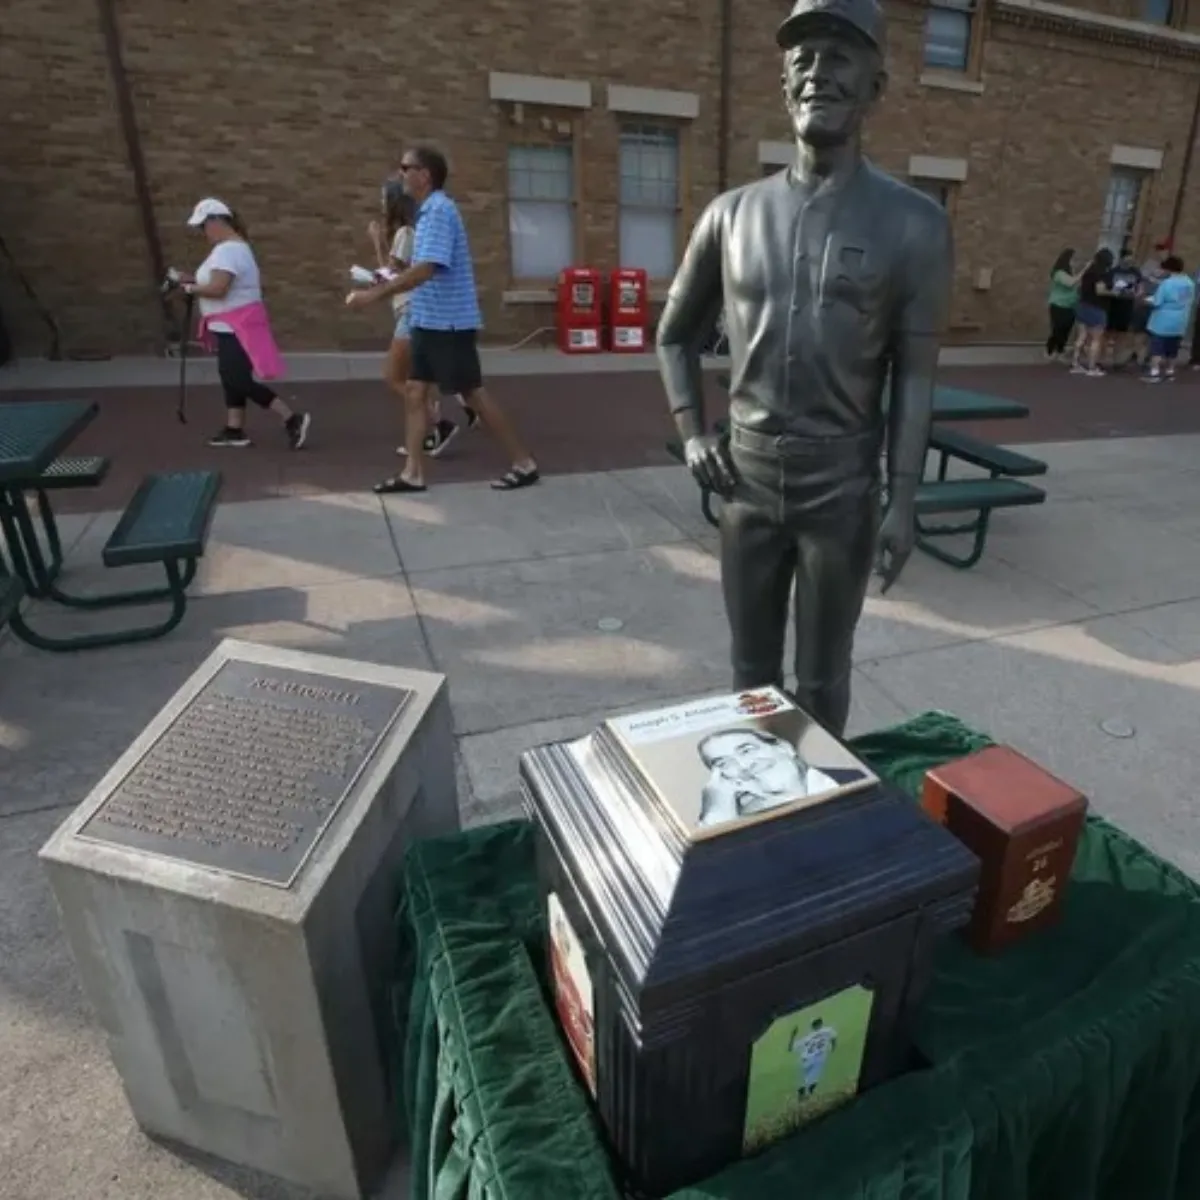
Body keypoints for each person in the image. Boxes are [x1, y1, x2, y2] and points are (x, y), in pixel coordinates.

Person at [656, 0, 952, 735]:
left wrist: (904, 498)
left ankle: (821, 811)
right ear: (785, 82)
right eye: (805, 58)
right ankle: (754, 803)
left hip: (842, 487)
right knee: (749, 672)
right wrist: (693, 432)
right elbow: (674, 336)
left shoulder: (915, 223)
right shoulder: (730, 214)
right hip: (746, 480)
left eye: (841, 56)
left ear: (875, 85)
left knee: (823, 675)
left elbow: (915, 376)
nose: (820, 73)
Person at [345, 145, 539, 494]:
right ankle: (412, 473)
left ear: (425, 175)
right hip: (427, 319)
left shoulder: (438, 211)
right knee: (416, 391)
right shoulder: (427, 213)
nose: (401, 173)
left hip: (449, 323)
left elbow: (424, 270)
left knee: (473, 393)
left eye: (407, 167)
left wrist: (372, 296)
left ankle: (524, 463)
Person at [179, 198, 310, 449]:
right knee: (231, 376)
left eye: (203, 226)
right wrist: (192, 280)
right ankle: (234, 428)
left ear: (216, 221)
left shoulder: (229, 250)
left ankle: (291, 418)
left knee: (236, 378)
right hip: (231, 324)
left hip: (235, 325)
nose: (201, 232)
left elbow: (218, 288)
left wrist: (189, 288)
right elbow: (216, 282)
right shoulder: (232, 248)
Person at [367, 179, 479, 458]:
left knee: (395, 377)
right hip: (416, 311)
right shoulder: (415, 230)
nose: (381, 205)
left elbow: (390, 276)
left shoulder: (406, 233)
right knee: (422, 380)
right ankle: (439, 424)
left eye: (384, 199)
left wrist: (378, 243)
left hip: (410, 311)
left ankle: (440, 424)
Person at [695, 727, 866, 827]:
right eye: (724, 763)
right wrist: (715, 813)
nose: (744, 765)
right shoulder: (738, 820)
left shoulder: (856, 780)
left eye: (747, 750)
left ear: (784, 747)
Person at [1142, 255, 1195, 384]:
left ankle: (1154, 372)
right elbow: (1189, 300)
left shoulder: (1167, 283)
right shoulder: (1189, 282)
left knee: (1157, 348)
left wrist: (1145, 300)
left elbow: (1158, 301)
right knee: (1173, 348)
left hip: (1163, 319)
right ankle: (1170, 371)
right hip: (1180, 319)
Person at [1070, 248, 1114, 377]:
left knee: (1081, 336)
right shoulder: (1101, 273)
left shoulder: (1089, 271)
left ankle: (1075, 363)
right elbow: (1100, 290)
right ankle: (1092, 367)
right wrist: (1114, 292)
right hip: (1096, 307)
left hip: (1083, 304)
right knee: (1096, 339)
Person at [1104, 250, 1141, 371]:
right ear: (1121, 259)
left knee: (1122, 334)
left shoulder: (1135, 272)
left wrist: (1138, 294)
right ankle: (1104, 359)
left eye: (1131, 259)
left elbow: (1140, 287)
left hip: (1127, 306)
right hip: (1113, 306)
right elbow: (1107, 288)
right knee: (1108, 334)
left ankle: (1117, 360)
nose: (1130, 261)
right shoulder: (1113, 272)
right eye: (1127, 259)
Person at [1045, 248, 1080, 360]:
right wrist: (1084, 271)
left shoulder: (1072, 272)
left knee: (1066, 329)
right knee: (1058, 328)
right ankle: (1050, 350)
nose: (1076, 262)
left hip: (1071, 304)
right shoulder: (1059, 273)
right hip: (1058, 304)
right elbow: (1070, 283)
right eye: (1074, 259)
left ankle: (1060, 350)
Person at [789, 1017, 837, 1098]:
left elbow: (790, 1048)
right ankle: (807, 1094)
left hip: (804, 1060)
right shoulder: (828, 1030)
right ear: (821, 1023)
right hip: (818, 1059)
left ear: (812, 1026)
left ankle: (803, 1094)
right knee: (812, 1081)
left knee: (803, 1081)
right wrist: (833, 1047)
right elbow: (834, 1038)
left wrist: (793, 1035)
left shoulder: (808, 1037)